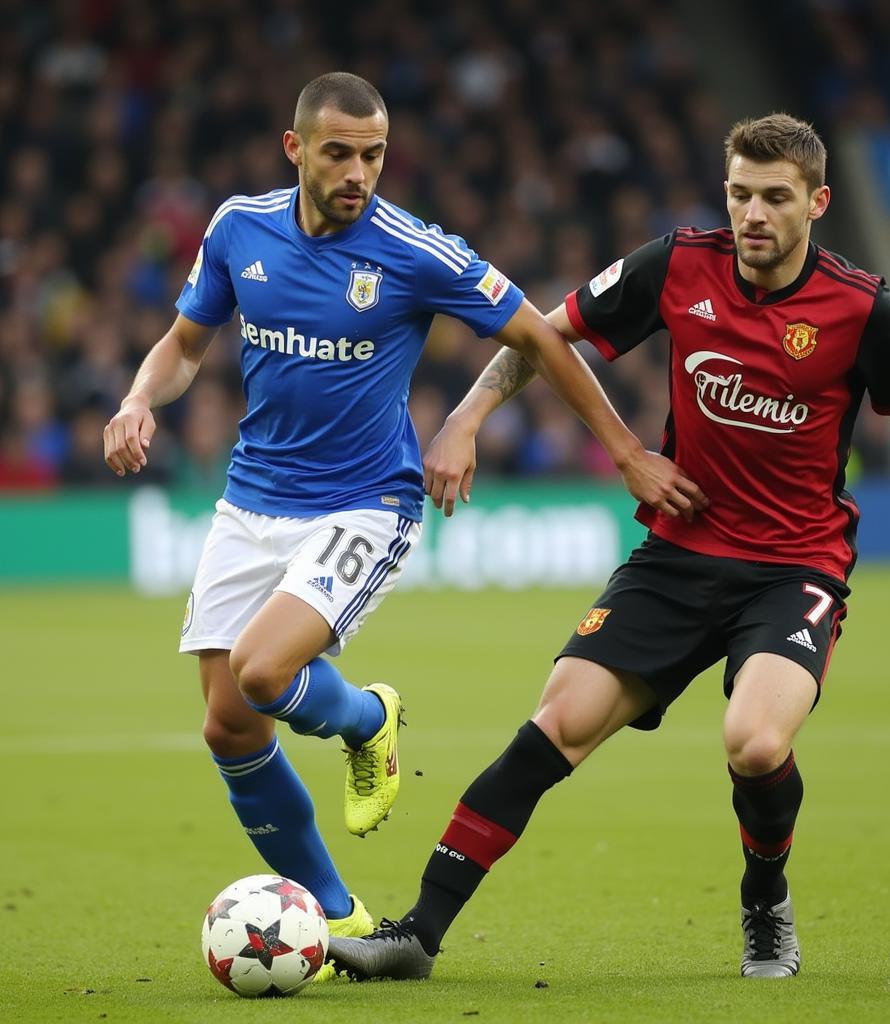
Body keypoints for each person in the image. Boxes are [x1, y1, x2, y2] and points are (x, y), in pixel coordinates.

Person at [325, 113, 890, 981]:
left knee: (753, 743)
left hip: (795, 568)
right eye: (741, 193)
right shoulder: (678, 266)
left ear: (817, 203)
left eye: (776, 199)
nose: (754, 214)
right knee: (552, 726)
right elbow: (541, 333)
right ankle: (418, 935)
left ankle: (765, 902)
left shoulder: (860, 309)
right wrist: (466, 416)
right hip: (678, 555)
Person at [102, 72, 703, 982]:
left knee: (266, 672)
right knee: (228, 728)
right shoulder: (237, 229)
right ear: (294, 149)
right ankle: (337, 916)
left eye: (374, 153)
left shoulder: (415, 250)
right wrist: (140, 398)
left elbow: (539, 336)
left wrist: (621, 449)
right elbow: (187, 344)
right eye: (339, 152)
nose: (359, 171)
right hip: (251, 499)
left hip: (364, 501)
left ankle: (365, 718)